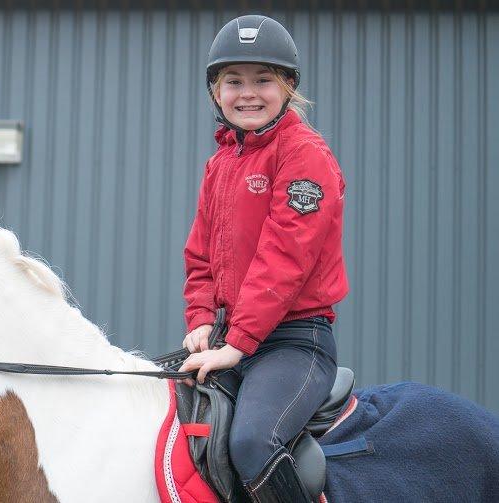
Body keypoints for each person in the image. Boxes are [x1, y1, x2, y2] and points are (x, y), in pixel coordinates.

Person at [178, 14, 349, 503]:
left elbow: (285, 258)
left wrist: (238, 343)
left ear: (288, 86)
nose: (247, 93)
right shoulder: (220, 165)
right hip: (234, 335)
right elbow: (201, 256)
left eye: (263, 80)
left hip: (296, 342)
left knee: (253, 442)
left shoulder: (305, 156)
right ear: (216, 92)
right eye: (234, 81)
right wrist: (198, 319)